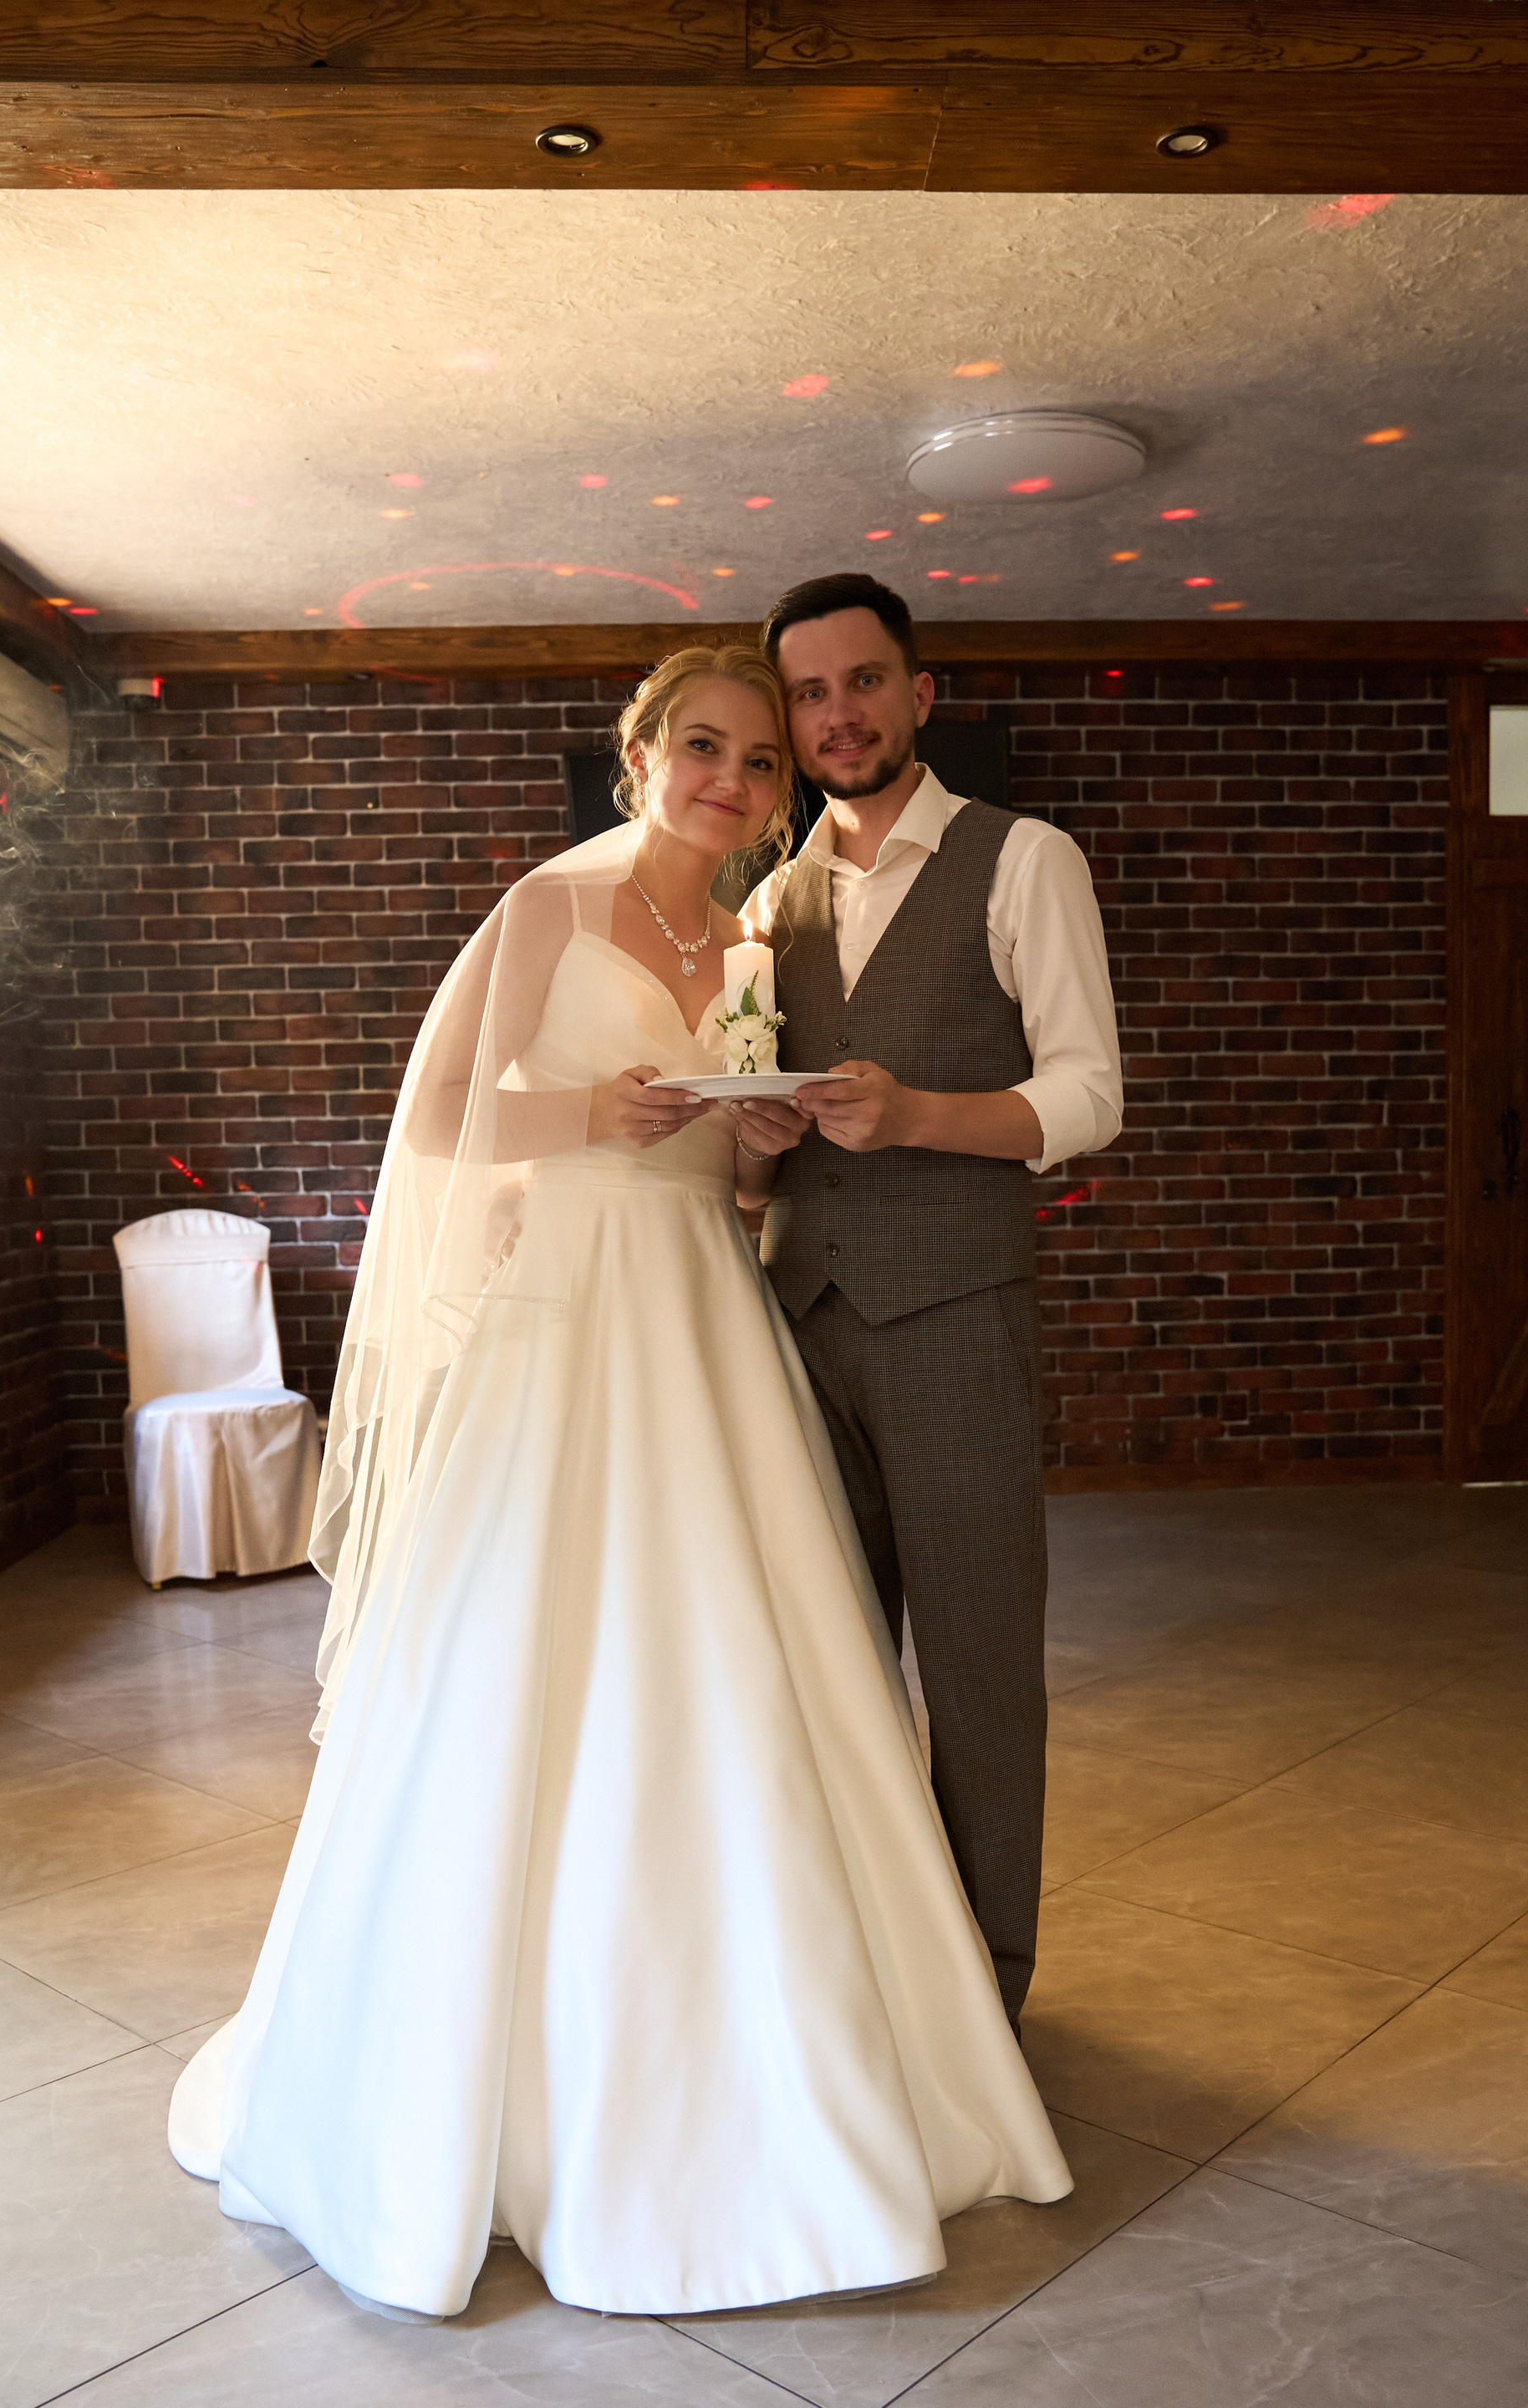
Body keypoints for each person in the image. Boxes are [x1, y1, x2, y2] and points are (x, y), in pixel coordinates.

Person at [167, 642, 1072, 2323]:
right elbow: (445, 1122)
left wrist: (754, 1145)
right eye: (704, 748)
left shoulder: (750, 943)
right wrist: (600, 1105)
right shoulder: (551, 910)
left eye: (759, 763)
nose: (733, 780)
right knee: (531, 1659)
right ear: (641, 754)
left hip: (702, 1311)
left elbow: (724, 1177)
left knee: (733, 1658)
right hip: (566, 1319)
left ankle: (782, 2035)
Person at [732, 575, 1123, 2033]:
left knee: (976, 1672)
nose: (839, 713)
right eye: (810, 693)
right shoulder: (768, 905)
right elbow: (756, 1152)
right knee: (826, 1676)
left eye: (864, 681)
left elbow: (1088, 1095)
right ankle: (859, 1992)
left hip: (957, 1319)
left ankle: (984, 2000)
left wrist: (914, 1117)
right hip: (795, 1323)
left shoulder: (1025, 861)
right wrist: (753, 1143)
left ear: (920, 695)